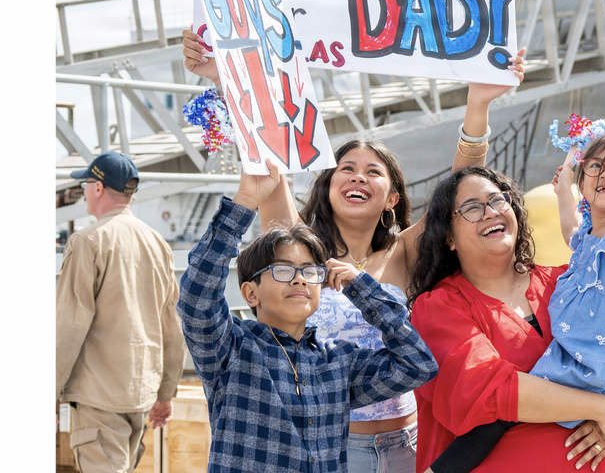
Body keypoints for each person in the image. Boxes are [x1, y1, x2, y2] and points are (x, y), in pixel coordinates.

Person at [182, 28, 525, 473]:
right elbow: (265, 159)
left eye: (373, 172)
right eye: (346, 169)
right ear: (327, 188)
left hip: (404, 445)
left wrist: (478, 105)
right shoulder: (297, 249)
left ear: (393, 198)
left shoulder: (407, 252)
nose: (358, 177)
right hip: (327, 447)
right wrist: (225, 77)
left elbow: (464, 185)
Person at [421, 119, 605, 473]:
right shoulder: (440, 307)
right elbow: (489, 391)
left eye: (497, 200)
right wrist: (601, 408)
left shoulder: (566, 283)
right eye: (472, 208)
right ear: (448, 236)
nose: (490, 211)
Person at [176, 168, 439, 472]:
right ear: (250, 293)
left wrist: (362, 289)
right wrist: (245, 201)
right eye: (284, 270)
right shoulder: (231, 349)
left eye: (310, 271)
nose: (300, 279)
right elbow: (197, 295)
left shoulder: (338, 361)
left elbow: (417, 365)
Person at [56, 151, 186, 473]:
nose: (84, 191)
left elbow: (69, 325)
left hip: (100, 397)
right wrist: (166, 393)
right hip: (139, 396)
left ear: (98, 188)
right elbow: (172, 324)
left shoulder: (88, 241)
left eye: (86, 184)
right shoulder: (157, 243)